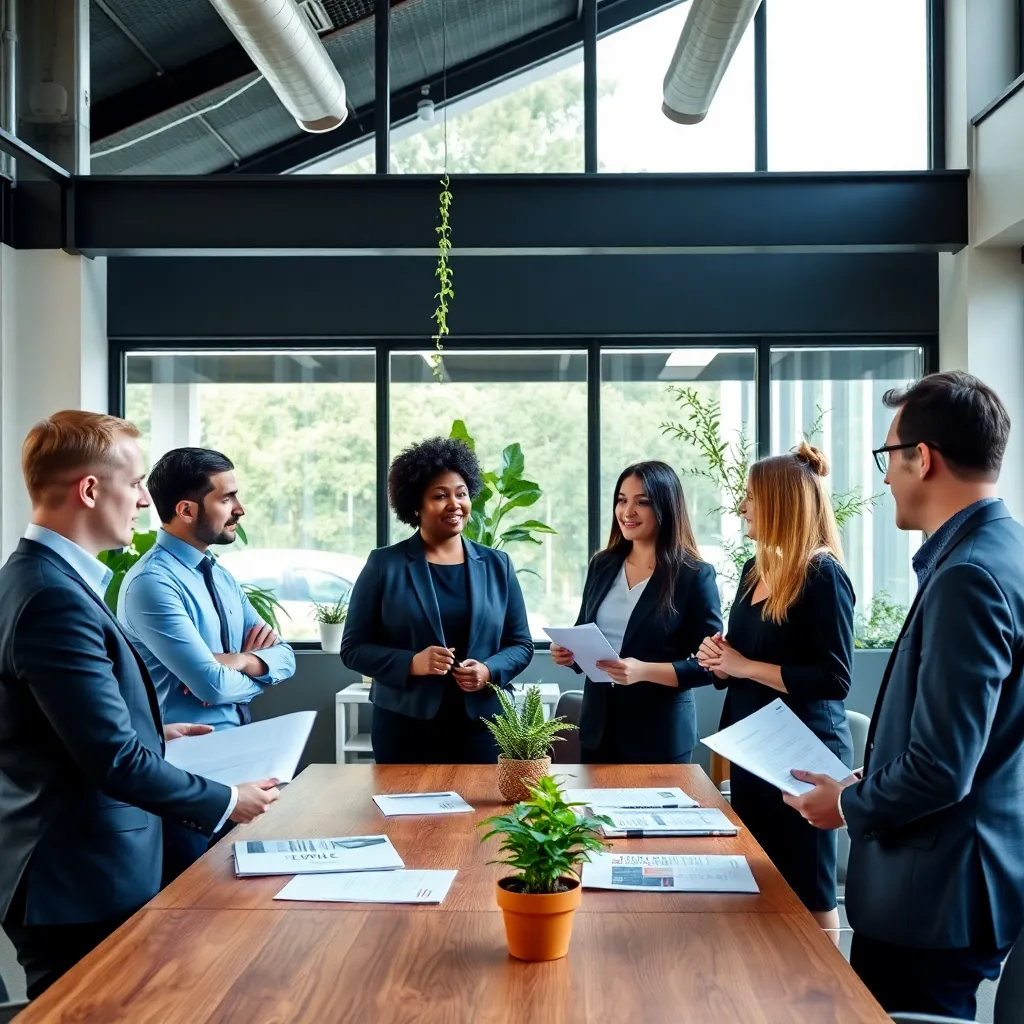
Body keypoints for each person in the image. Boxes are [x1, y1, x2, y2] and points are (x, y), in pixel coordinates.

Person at [0, 412, 279, 999]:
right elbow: (111, 759)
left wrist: (157, 734)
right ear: (90, 490)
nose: (144, 504)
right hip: (78, 879)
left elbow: (57, 730)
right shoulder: (53, 596)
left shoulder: (44, 579)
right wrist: (230, 799)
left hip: (83, 871)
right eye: (134, 485)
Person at [784, 371, 1024, 1019]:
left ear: (924, 458)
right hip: (957, 884)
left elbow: (944, 768)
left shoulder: (968, 575)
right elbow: (970, 736)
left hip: (935, 901)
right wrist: (872, 774)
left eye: (888, 456)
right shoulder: (999, 549)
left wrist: (848, 801)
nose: (885, 476)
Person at [698, 441, 854, 940]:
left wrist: (745, 663)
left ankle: (829, 1005)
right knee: (761, 883)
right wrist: (721, 661)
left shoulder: (823, 573)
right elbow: (743, 658)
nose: (742, 507)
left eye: (749, 497)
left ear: (780, 503)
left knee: (808, 891)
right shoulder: (753, 569)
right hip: (752, 749)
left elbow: (833, 678)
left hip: (801, 754)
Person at [118, 447, 296, 884]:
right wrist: (247, 670)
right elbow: (212, 687)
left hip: (240, 770)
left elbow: (286, 657)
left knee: (238, 910)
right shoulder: (152, 584)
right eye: (227, 498)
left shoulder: (220, 574)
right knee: (189, 914)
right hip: (186, 776)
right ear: (185, 509)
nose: (240, 508)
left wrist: (237, 661)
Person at [341, 436, 533, 764]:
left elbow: (521, 645)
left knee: (480, 815)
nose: (454, 504)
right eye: (439, 496)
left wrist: (489, 670)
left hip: (483, 727)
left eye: (461, 494)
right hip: (404, 727)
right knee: (402, 816)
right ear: (415, 505)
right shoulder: (384, 565)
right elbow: (353, 649)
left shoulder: (497, 565)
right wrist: (411, 663)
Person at [550, 461, 721, 763]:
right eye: (621, 500)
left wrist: (642, 671)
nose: (627, 512)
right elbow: (584, 631)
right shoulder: (602, 565)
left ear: (666, 508)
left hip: (659, 735)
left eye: (642, 502)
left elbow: (709, 666)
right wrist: (569, 653)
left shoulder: (694, 574)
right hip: (599, 730)